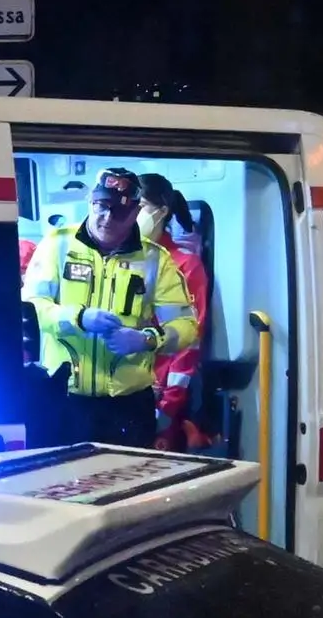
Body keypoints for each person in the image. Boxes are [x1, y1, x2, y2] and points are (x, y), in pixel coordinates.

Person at [23, 166, 200, 446]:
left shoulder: (155, 260)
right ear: (90, 202)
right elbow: (30, 307)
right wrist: (78, 317)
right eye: (100, 206)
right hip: (61, 399)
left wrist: (146, 340)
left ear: (135, 213)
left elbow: (187, 327)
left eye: (118, 212)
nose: (106, 218)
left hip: (127, 407)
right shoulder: (57, 246)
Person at [136, 173, 214, 450]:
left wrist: (168, 406)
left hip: (162, 397)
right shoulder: (121, 260)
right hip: (126, 394)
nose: (133, 212)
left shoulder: (184, 264)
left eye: (141, 205)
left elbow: (189, 339)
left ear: (162, 211)